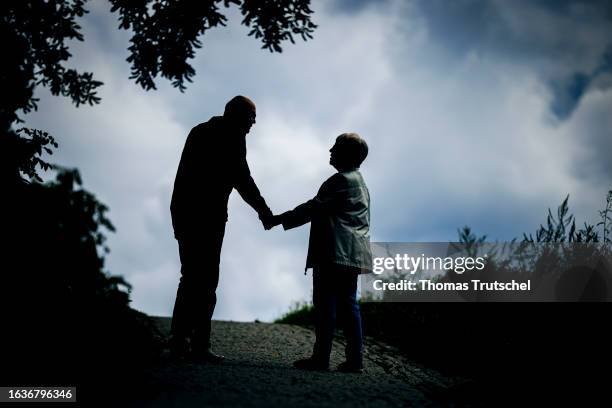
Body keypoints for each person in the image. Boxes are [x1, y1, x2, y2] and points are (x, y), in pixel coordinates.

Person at [169, 95, 274, 362]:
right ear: (237, 115)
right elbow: (242, 178)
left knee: (191, 277)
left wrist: (177, 217)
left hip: (186, 214)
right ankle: (198, 345)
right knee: (205, 281)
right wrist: (264, 211)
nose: (253, 124)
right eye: (251, 117)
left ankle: (181, 340)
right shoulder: (233, 137)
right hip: (207, 217)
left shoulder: (201, 131)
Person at [268, 133, 372, 373]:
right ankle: (355, 360)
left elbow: (313, 208)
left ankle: (321, 358)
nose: (330, 150)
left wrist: (279, 219)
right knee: (349, 305)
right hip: (354, 254)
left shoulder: (339, 181)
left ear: (347, 154)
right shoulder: (361, 183)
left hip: (333, 252)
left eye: (335, 147)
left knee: (325, 305)